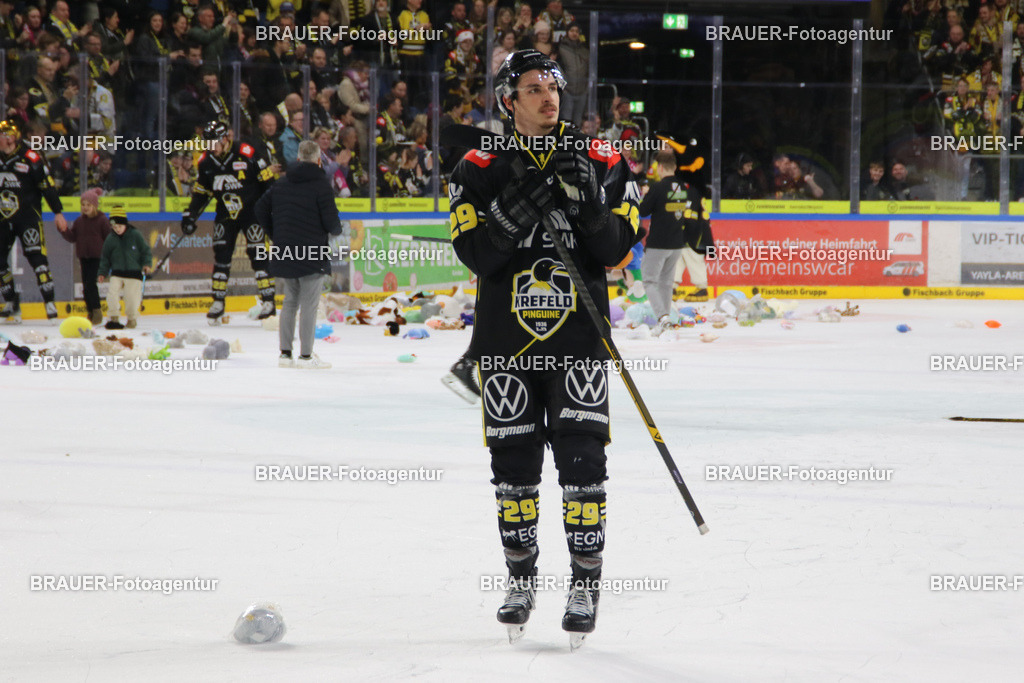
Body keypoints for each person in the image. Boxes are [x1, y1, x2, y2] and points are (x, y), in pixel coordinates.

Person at [448, 50, 641, 646]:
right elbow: (477, 256)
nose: (548, 96)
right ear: (508, 100)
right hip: (506, 346)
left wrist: (587, 202)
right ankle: (520, 581)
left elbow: (617, 250)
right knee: (513, 470)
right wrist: (515, 210)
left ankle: (585, 585)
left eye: (553, 85)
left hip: (579, 342)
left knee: (583, 467)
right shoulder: (478, 165)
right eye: (532, 88)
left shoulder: (601, 157)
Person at [255, 140, 342, 370]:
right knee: (309, 305)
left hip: (285, 250)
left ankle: (285, 354)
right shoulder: (321, 185)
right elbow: (332, 224)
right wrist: (335, 229)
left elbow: (260, 208)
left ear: (297, 158)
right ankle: (305, 356)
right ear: (318, 160)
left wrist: (276, 234)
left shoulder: (282, 182)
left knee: (290, 302)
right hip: (312, 252)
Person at [180, 121, 276, 325]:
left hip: (252, 212)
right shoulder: (206, 162)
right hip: (225, 213)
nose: (210, 147)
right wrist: (190, 215)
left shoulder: (246, 152)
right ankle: (218, 301)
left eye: (214, 142)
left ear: (225, 139)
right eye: (207, 143)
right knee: (221, 254)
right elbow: (202, 192)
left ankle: (268, 300)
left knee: (258, 253)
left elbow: (268, 182)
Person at [0, 119, 67, 324]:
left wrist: (58, 212)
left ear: (12, 138)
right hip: (3, 218)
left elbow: (47, 186)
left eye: (2, 135)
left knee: (37, 259)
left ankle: (50, 303)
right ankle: (11, 302)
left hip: (28, 217)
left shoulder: (30, 157)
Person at [59, 188, 111, 325]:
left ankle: (97, 311)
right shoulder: (79, 221)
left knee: (91, 285)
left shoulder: (102, 220)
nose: (85, 207)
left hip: (97, 258)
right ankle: (90, 311)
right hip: (84, 257)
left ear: (95, 206)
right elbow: (72, 237)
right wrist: (63, 230)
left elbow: (109, 238)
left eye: (89, 205)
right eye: (83, 204)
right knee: (86, 286)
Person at [97, 206, 152, 330]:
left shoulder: (135, 235)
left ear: (125, 224)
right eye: (114, 227)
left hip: (134, 273)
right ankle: (114, 317)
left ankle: (131, 318)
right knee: (112, 294)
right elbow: (105, 258)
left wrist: (147, 264)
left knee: (131, 298)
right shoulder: (110, 239)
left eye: (119, 226)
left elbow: (145, 251)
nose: (117, 229)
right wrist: (102, 273)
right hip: (117, 273)